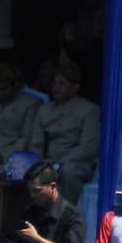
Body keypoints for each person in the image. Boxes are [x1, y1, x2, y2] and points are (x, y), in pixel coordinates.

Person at [31, 63, 101, 192]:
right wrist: (37, 163)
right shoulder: (44, 109)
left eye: (62, 83)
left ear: (75, 87)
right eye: (55, 83)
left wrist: (60, 163)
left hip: (80, 162)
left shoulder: (89, 109)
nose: (57, 87)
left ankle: (67, 205)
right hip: (49, 161)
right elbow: (36, 143)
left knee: (69, 171)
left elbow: (88, 146)